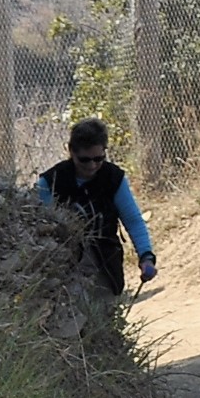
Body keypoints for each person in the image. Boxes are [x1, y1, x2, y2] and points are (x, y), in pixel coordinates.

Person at [36, 117, 155, 292]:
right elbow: (40, 226)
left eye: (98, 159)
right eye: (84, 160)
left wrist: (146, 256)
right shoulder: (50, 182)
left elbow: (133, 220)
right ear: (71, 152)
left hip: (105, 266)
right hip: (62, 271)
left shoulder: (113, 178)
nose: (92, 165)